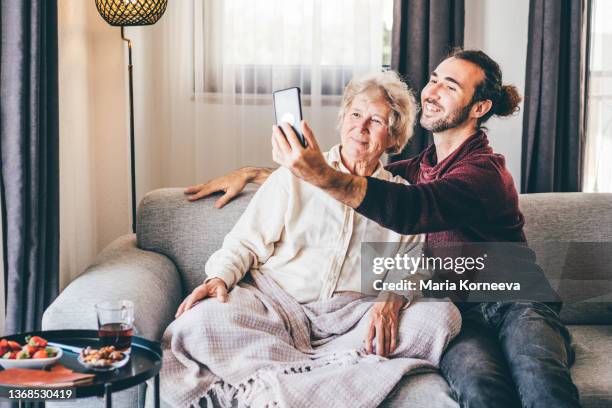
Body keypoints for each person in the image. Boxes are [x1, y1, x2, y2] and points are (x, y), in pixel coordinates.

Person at [185, 49, 581, 407]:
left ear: (479, 107)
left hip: (514, 299)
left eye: (451, 85)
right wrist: (259, 173)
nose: (434, 90)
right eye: (434, 79)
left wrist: (318, 175)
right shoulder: (414, 170)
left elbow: (409, 208)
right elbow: (359, 178)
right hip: (466, 311)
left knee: (538, 379)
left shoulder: (482, 172)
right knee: (479, 388)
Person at [162, 71, 462, 408]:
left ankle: (289, 384)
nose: (361, 127)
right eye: (355, 114)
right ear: (342, 120)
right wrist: (219, 277)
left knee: (440, 316)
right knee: (198, 323)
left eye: (375, 120)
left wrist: (391, 300)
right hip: (273, 306)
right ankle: (320, 384)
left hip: (350, 320)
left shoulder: (400, 197)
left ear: (394, 138)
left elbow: (412, 264)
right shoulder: (293, 177)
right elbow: (244, 243)